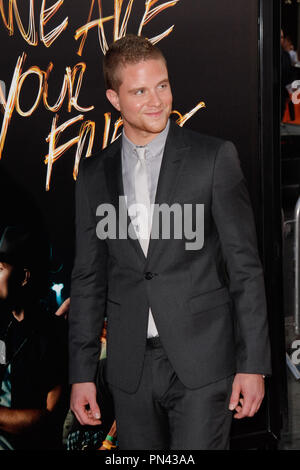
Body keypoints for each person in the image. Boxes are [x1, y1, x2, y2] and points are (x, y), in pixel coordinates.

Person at [69, 34, 271, 450]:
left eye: (161, 85)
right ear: (114, 98)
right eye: (139, 90)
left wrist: (253, 365)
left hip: (203, 361)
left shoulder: (213, 158)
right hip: (129, 369)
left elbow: (244, 268)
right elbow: (88, 280)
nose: (156, 100)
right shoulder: (93, 175)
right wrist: (81, 373)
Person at [0, 226, 67, 450]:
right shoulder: (4, 326)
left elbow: (49, 417)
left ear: (23, 277)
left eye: (0, 269)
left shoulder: (54, 334)